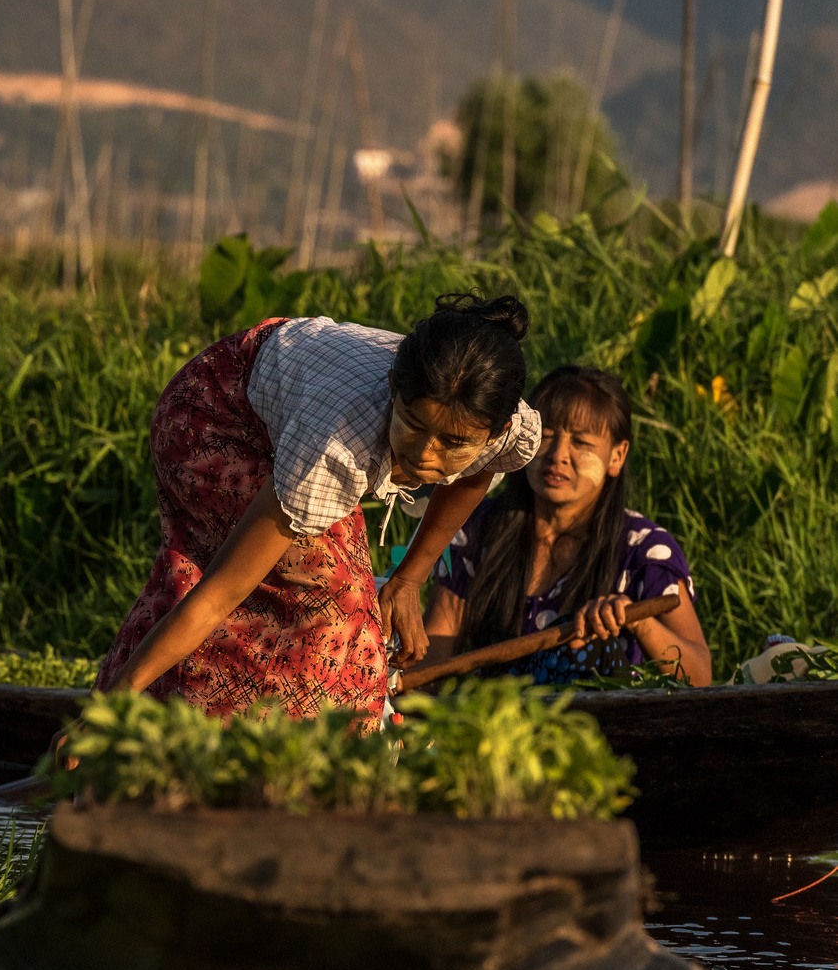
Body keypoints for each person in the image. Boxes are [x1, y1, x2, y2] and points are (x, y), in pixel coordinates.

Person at [95, 293, 542, 720]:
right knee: (336, 602)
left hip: (290, 400)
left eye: (454, 443)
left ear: (497, 430)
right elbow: (218, 594)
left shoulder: (500, 420)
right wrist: (107, 711)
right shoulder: (334, 444)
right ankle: (133, 715)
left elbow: (477, 472)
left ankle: (248, 725)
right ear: (393, 388)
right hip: (212, 417)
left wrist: (409, 577)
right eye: (414, 425)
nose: (426, 454)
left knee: (335, 609)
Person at [421, 365, 711, 685]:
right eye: (546, 436)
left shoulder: (644, 550)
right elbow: (435, 660)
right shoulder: (477, 529)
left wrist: (640, 622)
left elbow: (699, 677)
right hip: (496, 723)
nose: (558, 455)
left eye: (581, 443)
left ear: (617, 455)